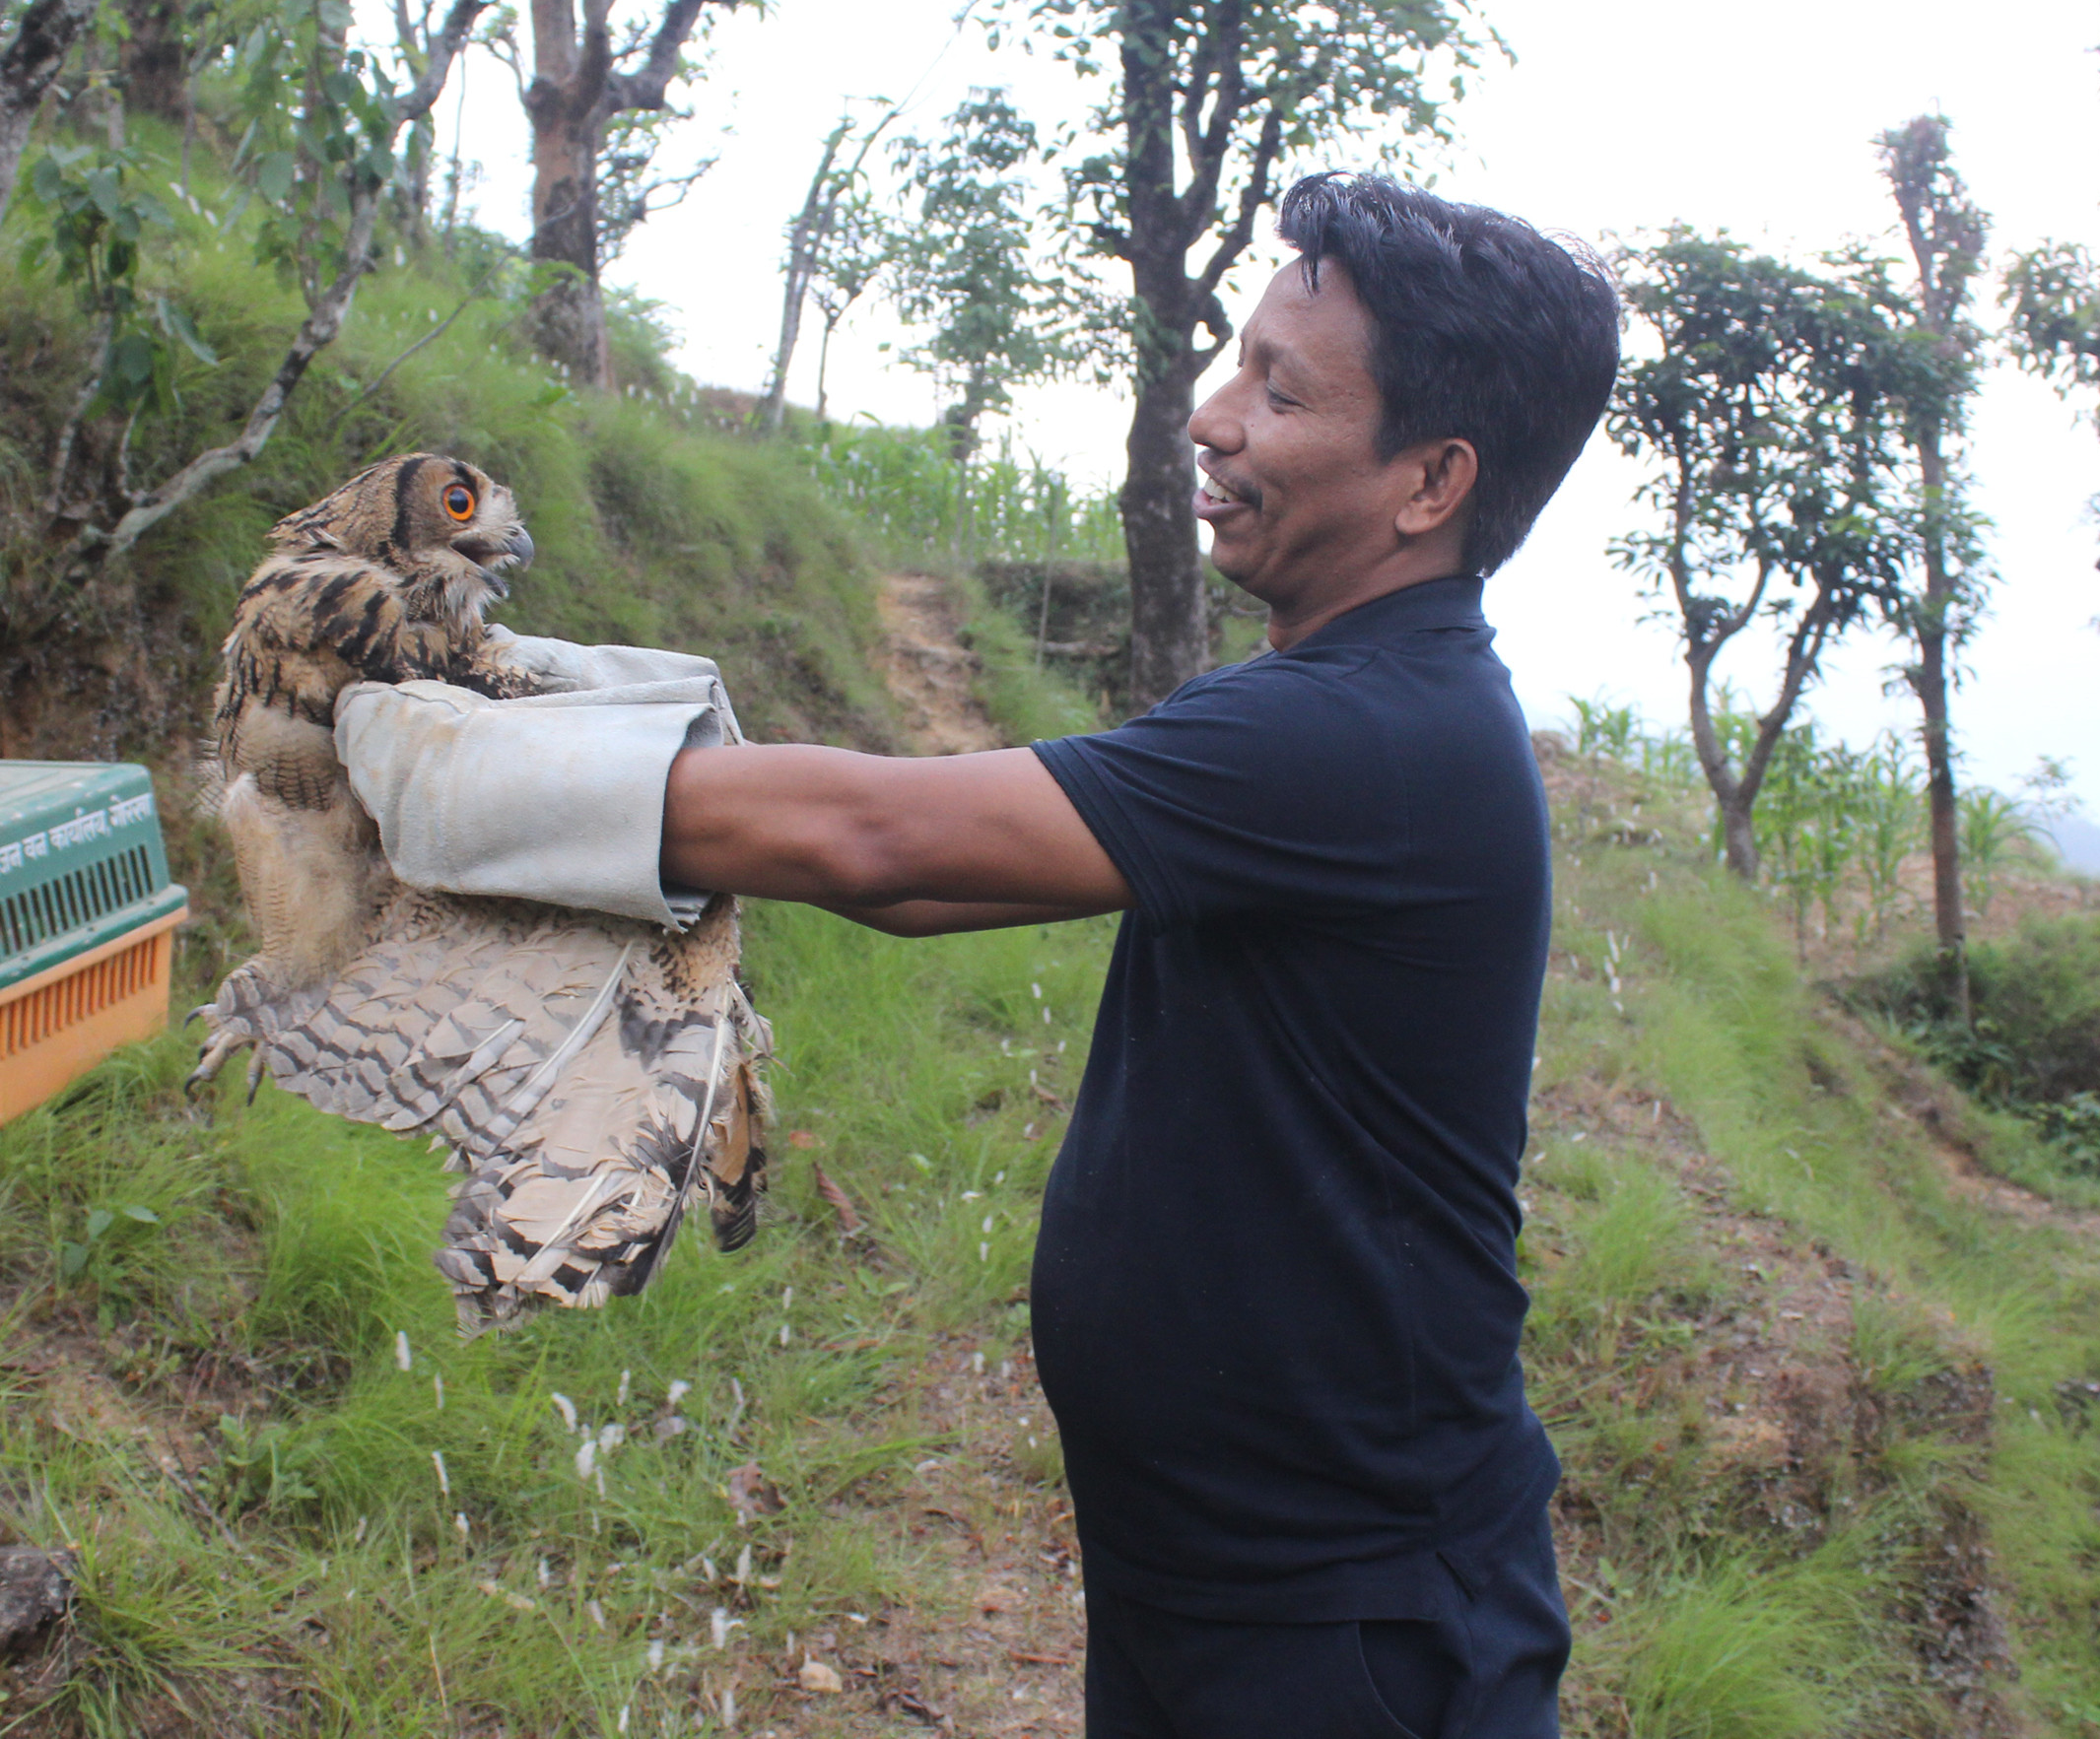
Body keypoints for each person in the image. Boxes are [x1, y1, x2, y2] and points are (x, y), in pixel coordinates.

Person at [336, 170, 1620, 1737]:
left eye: (1280, 390)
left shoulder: (1373, 732)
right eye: (1234, 361)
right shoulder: (1345, 701)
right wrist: (527, 701)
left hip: (1354, 1618)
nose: (1212, 417)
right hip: (1227, 1575)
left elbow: (882, 844)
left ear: (1431, 482)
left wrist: (448, 771)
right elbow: (934, 888)